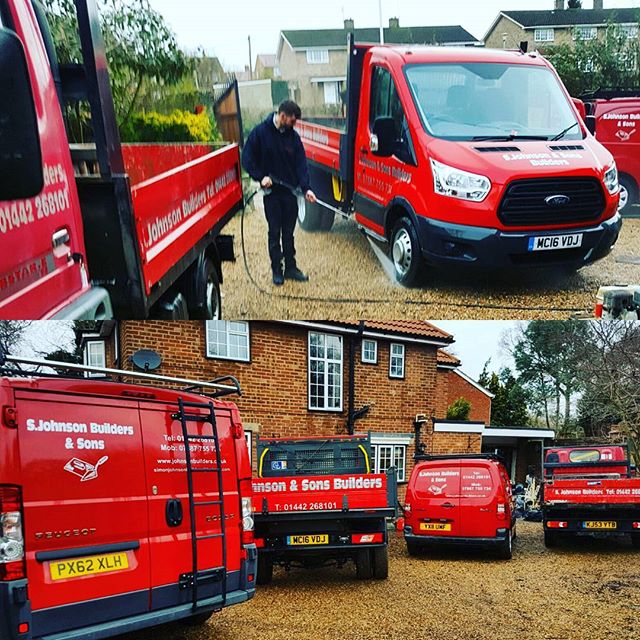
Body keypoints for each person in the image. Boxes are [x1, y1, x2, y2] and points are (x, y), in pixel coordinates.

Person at [242, 100, 317, 285]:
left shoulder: (293, 137)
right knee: (274, 232)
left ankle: (291, 267)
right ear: (283, 116)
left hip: (289, 193)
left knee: (289, 232)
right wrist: (261, 177)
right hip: (272, 194)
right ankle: (277, 270)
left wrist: (306, 188)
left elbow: (301, 164)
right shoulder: (261, 133)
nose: (294, 125)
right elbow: (247, 158)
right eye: (292, 121)